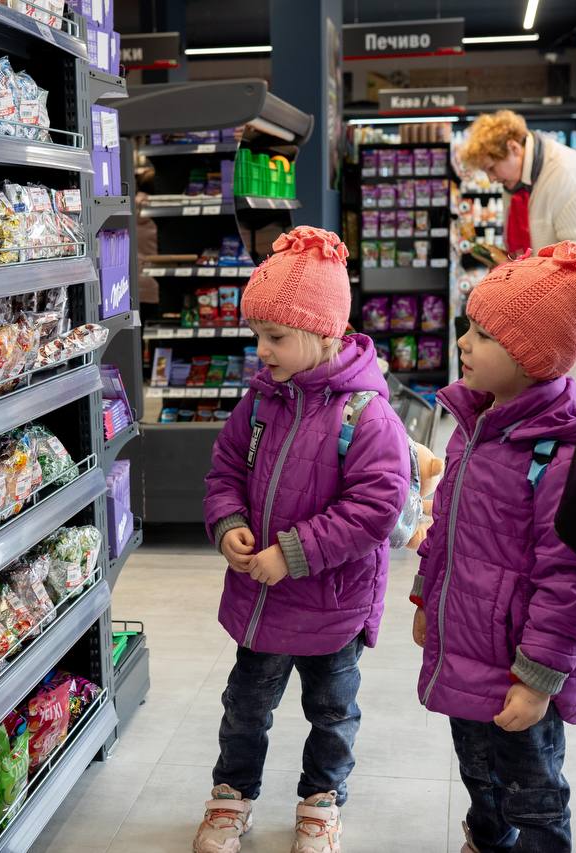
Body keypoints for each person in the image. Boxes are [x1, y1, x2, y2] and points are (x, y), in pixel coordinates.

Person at [196, 226, 410, 853]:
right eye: (257, 335)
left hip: (332, 604)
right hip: (261, 601)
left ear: (323, 334)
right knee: (245, 707)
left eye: (275, 336)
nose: (261, 350)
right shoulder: (260, 402)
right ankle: (232, 796)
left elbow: (374, 509)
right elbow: (224, 471)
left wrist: (292, 553)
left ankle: (321, 800)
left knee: (332, 711)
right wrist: (228, 523)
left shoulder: (366, 415)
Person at [411, 243, 576, 853]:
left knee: (534, 789)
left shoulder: (561, 455)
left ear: (532, 358)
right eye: (468, 327)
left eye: (484, 335)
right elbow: (445, 526)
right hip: (467, 646)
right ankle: (488, 838)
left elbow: (571, 584)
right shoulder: (475, 426)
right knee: (478, 772)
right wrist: (424, 597)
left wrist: (537, 680)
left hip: (524, 665)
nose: (463, 343)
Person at [461, 111, 576, 393]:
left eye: (492, 168)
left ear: (514, 147)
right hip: (568, 311)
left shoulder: (569, 175)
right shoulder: (518, 181)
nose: (491, 178)